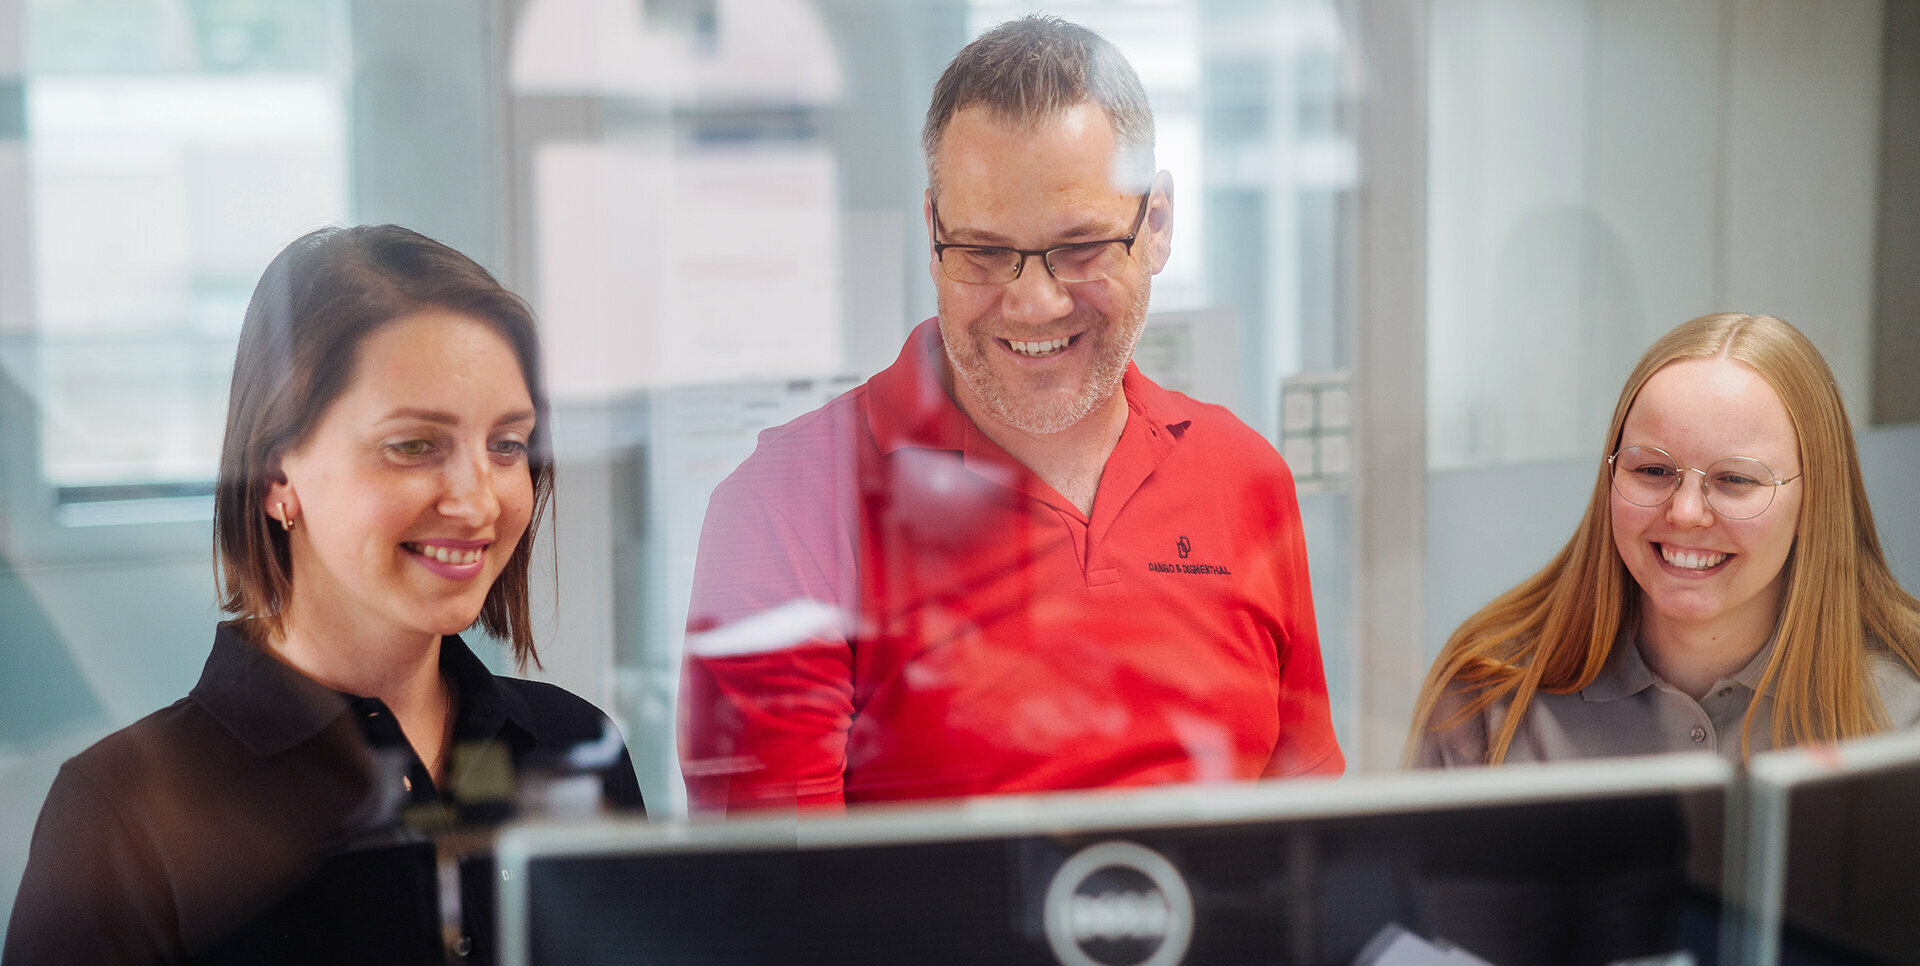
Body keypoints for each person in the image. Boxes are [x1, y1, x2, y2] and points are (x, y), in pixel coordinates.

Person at [679, 15, 1343, 813]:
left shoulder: (1244, 478)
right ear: (931, 233)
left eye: (1080, 248)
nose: (1033, 303)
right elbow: (777, 905)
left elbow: (1311, 843)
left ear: (1157, 225)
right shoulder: (786, 506)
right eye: (984, 252)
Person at [3, 225, 644, 965]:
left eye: (507, 444)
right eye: (414, 445)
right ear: (277, 476)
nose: (478, 502)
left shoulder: (575, 748)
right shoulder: (123, 812)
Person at [1409, 313, 1920, 767]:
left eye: (1736, 480)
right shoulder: (1490, 691)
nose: (1686, 512)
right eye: (1653, 469)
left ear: (1817, 501)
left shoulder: (1907, 707)